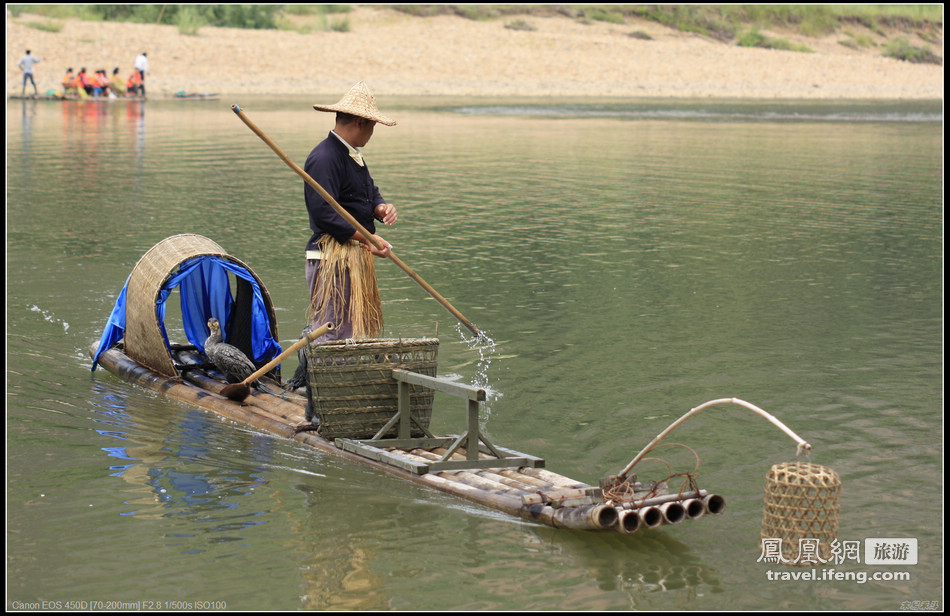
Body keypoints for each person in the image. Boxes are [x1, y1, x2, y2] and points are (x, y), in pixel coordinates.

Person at [303, 81, 398, 343]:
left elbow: (367, 191)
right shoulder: (325, 157)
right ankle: (322, 380)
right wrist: (368, 239)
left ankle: (343, 379)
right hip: (329, 258)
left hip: (351, 255)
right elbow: (324, 214)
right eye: (373, 126)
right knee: (332, 330)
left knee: (352, 330)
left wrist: (380, 208)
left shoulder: (351, 154)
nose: (372, 133)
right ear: (360, 122)